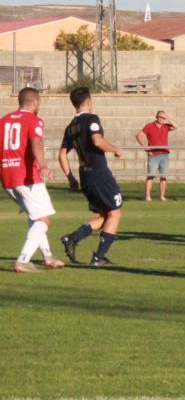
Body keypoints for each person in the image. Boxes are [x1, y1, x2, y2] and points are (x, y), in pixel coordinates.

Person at [58, 87, 124, 267]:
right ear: (88, 102)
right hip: (99, 174)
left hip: (85, 177)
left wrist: (70, 178)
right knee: (115, 213)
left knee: (105, 216)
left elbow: (62, 154)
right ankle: (99, 257)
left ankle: (72, 238)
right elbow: (97, 140)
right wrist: (115, 149)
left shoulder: (70, 127)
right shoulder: (92, 119)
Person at [1, 88, 65, 273]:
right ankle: (23, 260)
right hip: (26, 176)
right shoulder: (33, 120)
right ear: (35, 102)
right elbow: (36, 142)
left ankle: (48, 256)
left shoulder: (3, 121)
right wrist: (43, 164)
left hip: (7, 177)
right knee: (44, 219)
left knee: (35, 216)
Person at [135, 111, 178, 201]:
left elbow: (176, 126)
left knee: (163, 176)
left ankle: (162, 196)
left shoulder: (166, 126)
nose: (162, 119)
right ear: (157, 117)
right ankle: (148, 196)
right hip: (153, 154)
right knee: (150, 176)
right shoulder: (149, 126)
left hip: (164, 154)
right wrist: (146, 148)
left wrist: (168, 117)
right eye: (161, 117)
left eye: (164, 118)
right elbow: (139, 136)